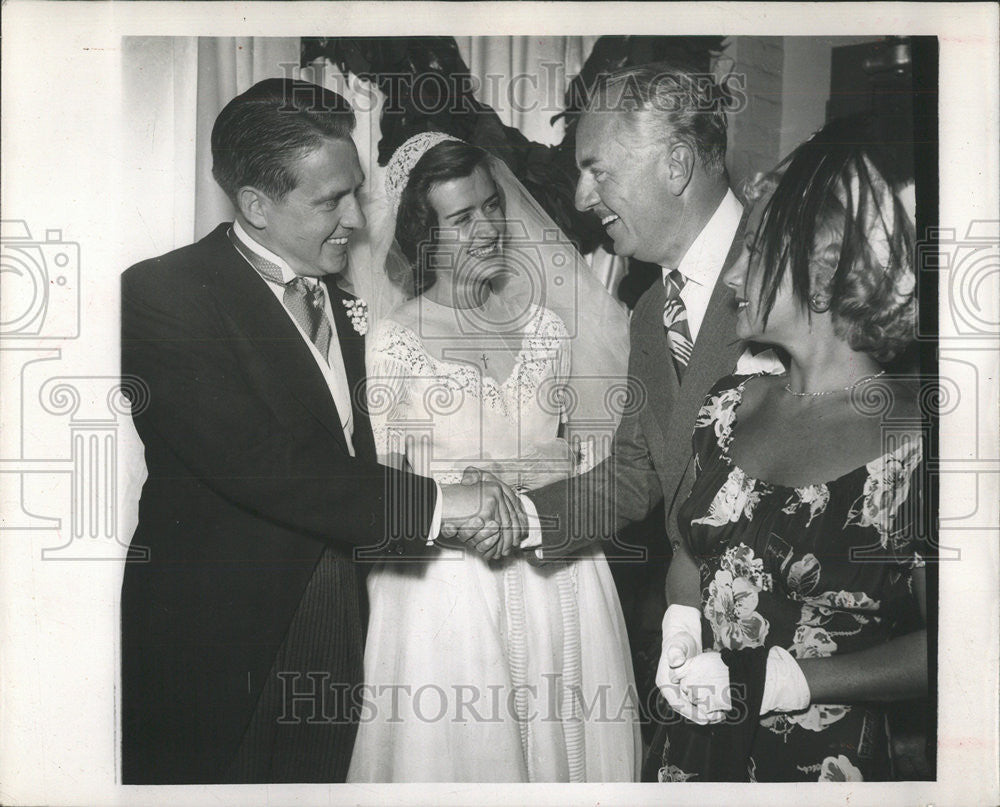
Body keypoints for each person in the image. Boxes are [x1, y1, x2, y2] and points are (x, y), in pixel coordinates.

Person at [120, 79, 523, 784]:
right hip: (225, 642)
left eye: (355, 193)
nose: (356, 221)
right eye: (329, 201)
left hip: (345, 618)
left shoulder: (346, 300)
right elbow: (258, 462)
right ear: (256, 205)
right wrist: (440, 503)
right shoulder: (164, 294)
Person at [346, 132, 641, 782]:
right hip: (448, 591)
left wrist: (536, 479)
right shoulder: (391, 343)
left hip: (558, 569)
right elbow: (388, 489)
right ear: (424, 233)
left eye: (490, 207)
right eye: (460, 218)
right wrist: (453, 488)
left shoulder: (545, 329)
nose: (486, 229)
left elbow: (588, 458)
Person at [650, 113, 927, 782]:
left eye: (754, 249)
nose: (734, 273)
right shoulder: (728, 403)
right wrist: (682, 624)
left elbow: (967, 645)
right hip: (698, 750)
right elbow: (693, 551)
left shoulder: (923, 437)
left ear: (825, 271)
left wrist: (795, 680)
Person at [519, 63, 783, 712]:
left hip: (789, 653)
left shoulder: (788, 269)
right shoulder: (648, 312)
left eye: (597, 170)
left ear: (675, 164)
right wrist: (516, 517)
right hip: (695, 644)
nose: (581, 198)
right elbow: (638, 472)